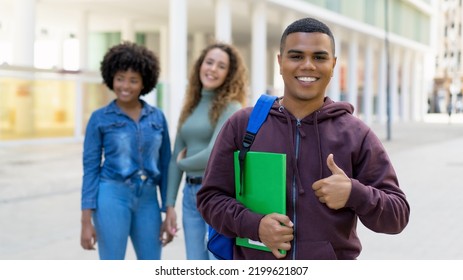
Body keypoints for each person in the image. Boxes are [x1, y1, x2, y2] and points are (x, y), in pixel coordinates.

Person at [197, 17, 410, 260]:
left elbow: (398, 215)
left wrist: (354, 193)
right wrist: (255, 226)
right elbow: (209, 199)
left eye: (319, 57)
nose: (307, 65)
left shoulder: (356, 134)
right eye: (296, 56)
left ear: (333, 64)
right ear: (280, 62)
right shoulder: (243, 125)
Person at [80, 41, 172, 260]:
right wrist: (85, 221)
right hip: (112, 196)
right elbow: (90, 170)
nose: (125, 86)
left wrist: (169, 209)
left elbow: (166, 165)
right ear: (111, 78)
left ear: (144, 84)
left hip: (149, 200)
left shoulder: (157, 117)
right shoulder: (99, 118)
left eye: (133, 80)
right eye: (120, 78)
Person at [161, 42, 248, 260]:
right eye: (209, 62)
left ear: (229, 74)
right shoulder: (191, 105)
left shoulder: (231, 107)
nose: (212, 69)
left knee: (216, 261)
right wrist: (170, 204)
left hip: (216, 194)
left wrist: (183, 162)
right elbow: (174, 158)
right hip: (189, 195)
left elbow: (213, 155)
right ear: (200, 65)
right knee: (194, 262)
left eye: (221, 66)